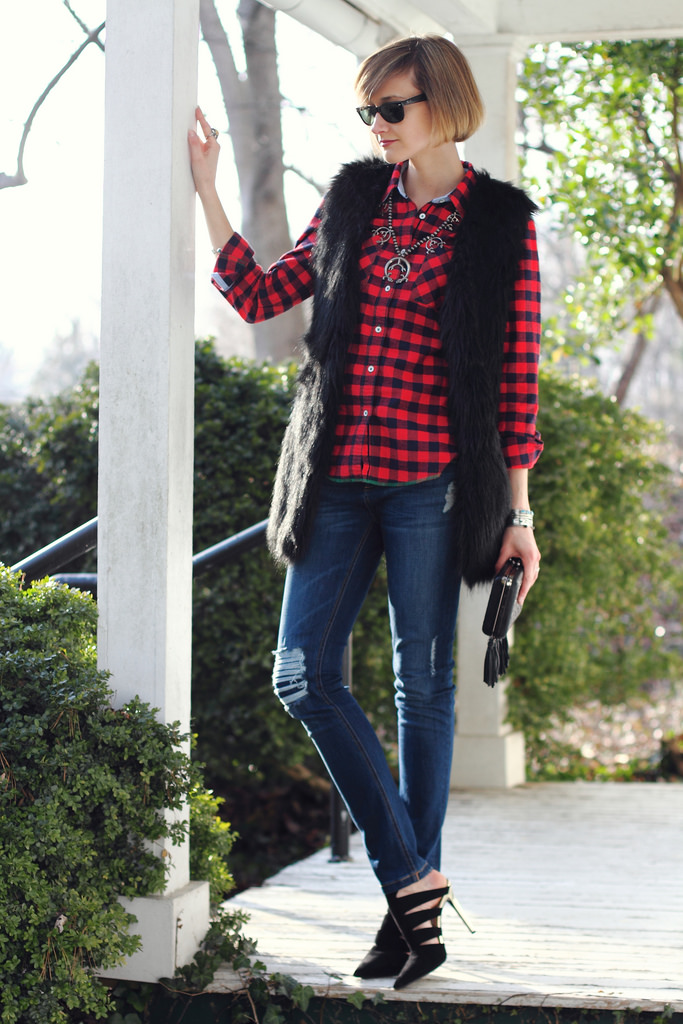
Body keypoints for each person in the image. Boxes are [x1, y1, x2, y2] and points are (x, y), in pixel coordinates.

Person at [189, 33, 542, 990]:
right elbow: (262, 294)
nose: (377, 126)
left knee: (423, 689)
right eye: (367, 111)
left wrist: (518, 516)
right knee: (301, 672)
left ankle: (405, 918)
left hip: (433, 483)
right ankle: (413, 878)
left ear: (444, 106)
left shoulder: (500, 223)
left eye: (393, 108)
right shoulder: (351, 200)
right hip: (336, 478)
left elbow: (517, 382)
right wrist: (210, 192)